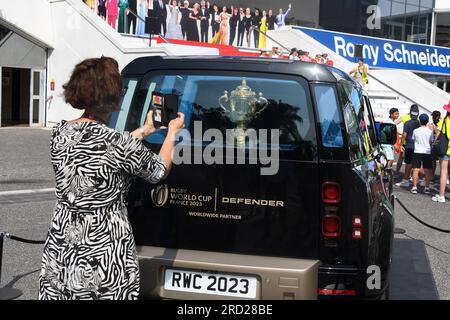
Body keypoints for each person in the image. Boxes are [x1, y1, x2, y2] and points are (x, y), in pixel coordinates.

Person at [38, 57, 185, 300]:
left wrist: (143, 131)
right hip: (104, 245)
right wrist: (171, 134)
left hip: (63, 241)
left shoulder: (60, 132)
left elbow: (101, 151)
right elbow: (158, 170)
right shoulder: (118, 143)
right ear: (111, 95)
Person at [396, 105, 420, 188]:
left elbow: (404, 135)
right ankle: (415, 182)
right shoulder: (420, 123)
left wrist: (402, 144)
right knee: (416, 165)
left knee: (408, 164)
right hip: (418, 146)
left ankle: (405, 180)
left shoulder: (407, 123)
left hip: (409, 145)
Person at [410, 114, 434, 195]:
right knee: (427, 170)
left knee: (416, 169)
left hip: (417, 151)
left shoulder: (415, 130)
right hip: (427, 151)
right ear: (427, 122)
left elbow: (413, 140)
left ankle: (414, 187)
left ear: (420, 121)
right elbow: (431, 142)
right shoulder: (430, 131)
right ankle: (426, 188)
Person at [432, 103, 450, 203]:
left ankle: (441, 196)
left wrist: (434, 143)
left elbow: (438, 133)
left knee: (444, 170)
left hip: (446, 149)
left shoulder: (444, 120)